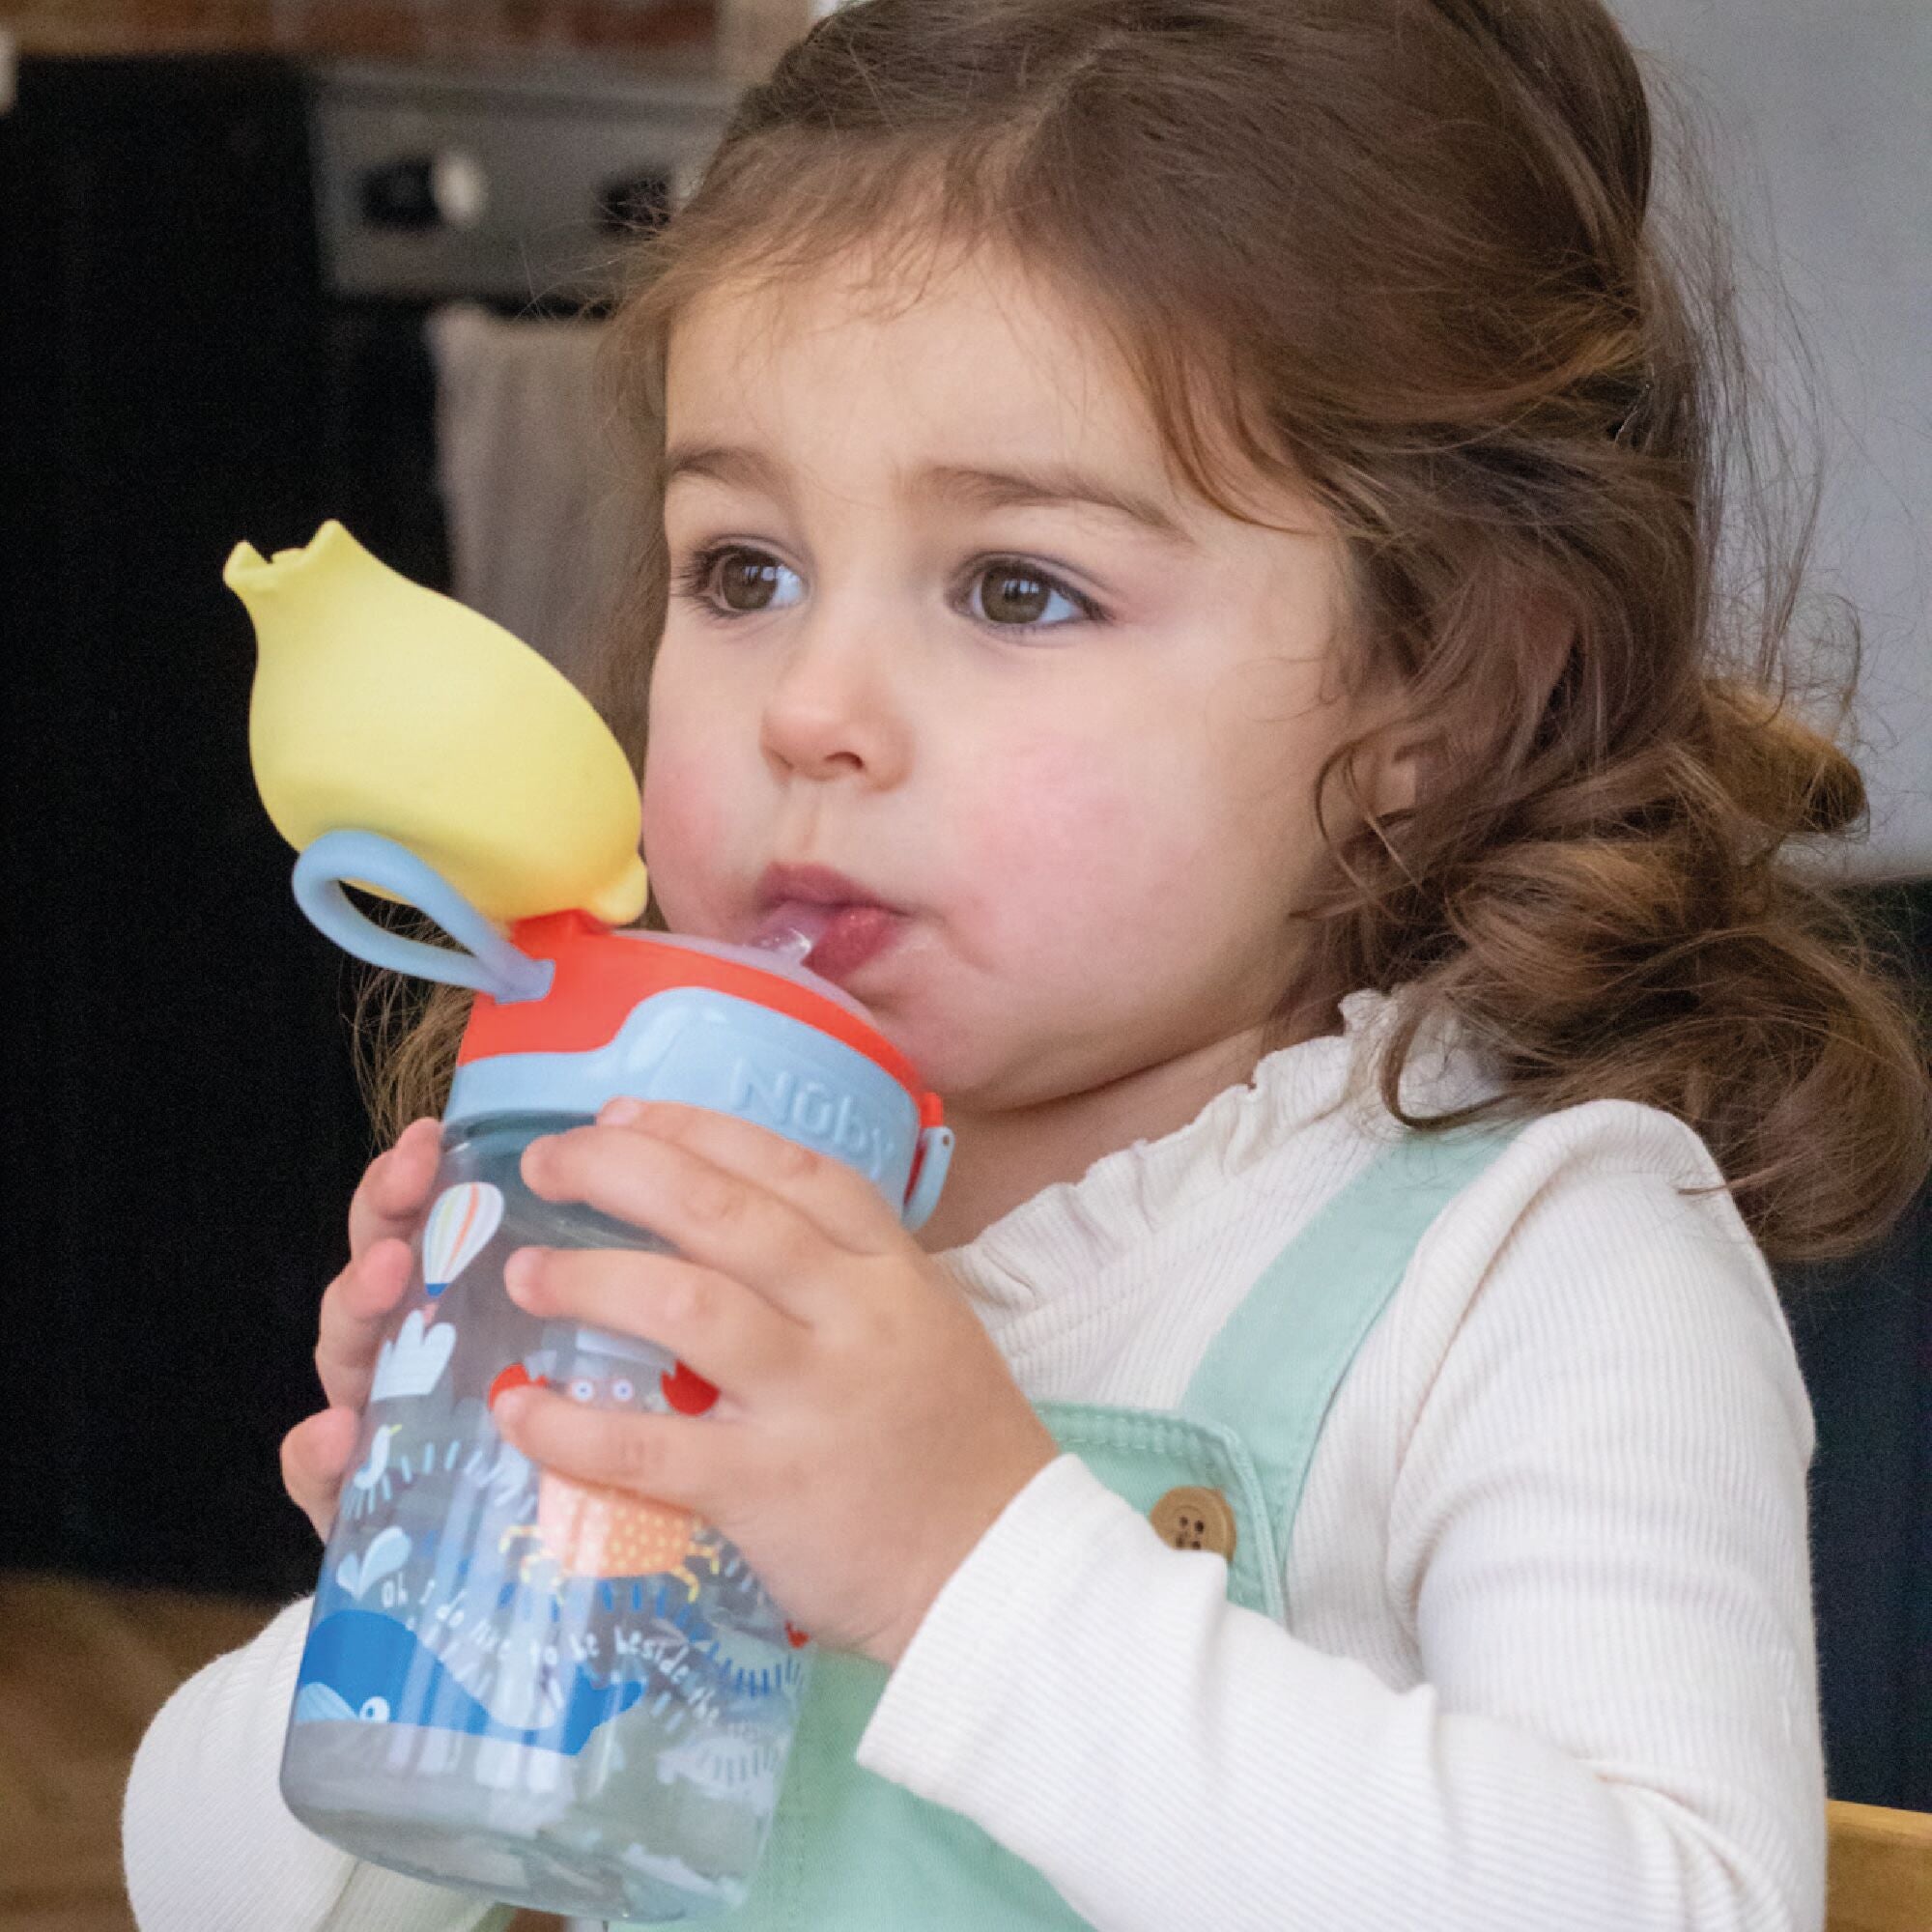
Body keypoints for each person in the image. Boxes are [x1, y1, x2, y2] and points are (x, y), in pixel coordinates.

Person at [124, 3, 1930, 1928]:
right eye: (744, 571)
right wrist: (421, 1565)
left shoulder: (1533, 1265)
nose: (811, 708)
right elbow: (202, 1888)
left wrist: (968, 1564)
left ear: (1448, 685)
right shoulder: (687, 1217)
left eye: (1017, 589)